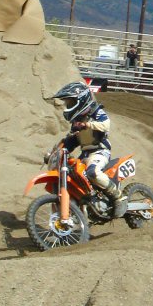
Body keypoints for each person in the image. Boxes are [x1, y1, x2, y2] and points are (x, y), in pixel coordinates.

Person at [47, 81, 127, 217]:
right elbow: (72, 141)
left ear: (81, 99)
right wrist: (55, 152)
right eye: (67, 104)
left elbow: (105, 125)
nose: (68, 106)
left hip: (100, 151)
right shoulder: (76, 122)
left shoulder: (96, 112)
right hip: (85, 154)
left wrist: (87, 125)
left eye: (70, 103)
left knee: (92, 172)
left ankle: (118, 197)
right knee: (73, 175)